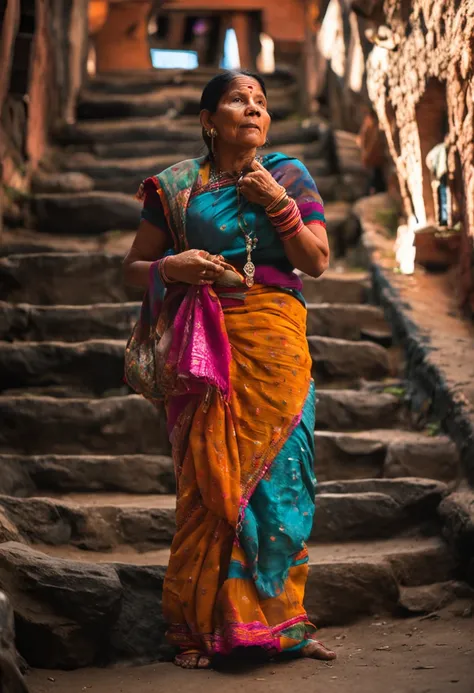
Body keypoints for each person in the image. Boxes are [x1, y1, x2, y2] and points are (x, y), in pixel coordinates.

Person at [123, 70, 334, 670]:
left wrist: (278, 206)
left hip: (275, 340)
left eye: (262, 102)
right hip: (205, 345)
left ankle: (282, 623)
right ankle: (201, 625)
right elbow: (130, 270)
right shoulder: (177, 188)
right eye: (239, 100)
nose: (254, 109)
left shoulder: (290, 174)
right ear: (208, 120)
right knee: (208, 481)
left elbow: (316, 261)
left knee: (283, 475)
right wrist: (173, 266)